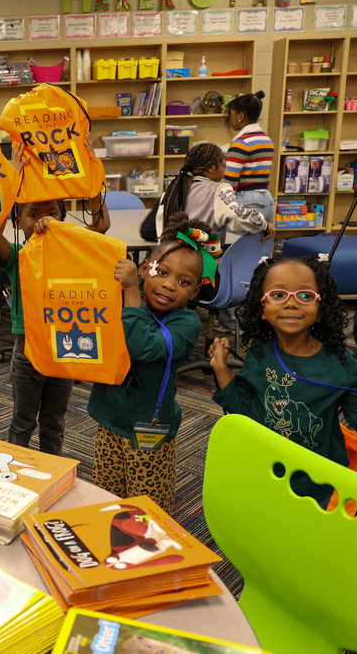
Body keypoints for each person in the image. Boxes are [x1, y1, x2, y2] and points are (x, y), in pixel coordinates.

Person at [208, 255, 357, 505]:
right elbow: (244, 413)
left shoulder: (341, 363)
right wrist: (220, 368)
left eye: (305, 296)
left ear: (320, 312)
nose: (291, 304)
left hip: (315, 484)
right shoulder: (259, 353)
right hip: (263, 470)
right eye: (278, 295)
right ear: (263, 309)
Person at [0, 141, 108, 456]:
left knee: (54, 422)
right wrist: (11, 181)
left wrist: (92, 183)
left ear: (63, 217)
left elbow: (101, 226)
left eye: (51, 212)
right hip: (28, 353)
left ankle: (50, 470)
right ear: (19, 221)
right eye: (32, 213)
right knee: (23, 422)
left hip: (63, 349)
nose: (41, 220)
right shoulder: (18, 256)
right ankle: (17, 471)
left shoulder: (74, 255)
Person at [88, 214, 209, 512]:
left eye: (183, 282)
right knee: (106, 498)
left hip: (149, 430)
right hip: (110, 419)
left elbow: (143, 345)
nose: (169, 285)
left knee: (146, 509)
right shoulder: (124, 299)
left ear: (194, 292)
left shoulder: (186, 322)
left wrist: (131, 291)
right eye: (162, 272)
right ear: (145, 269)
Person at [156, 143, 275, 245]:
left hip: (171, 259)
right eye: (223, 166)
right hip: (204, 263)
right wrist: (264, 225)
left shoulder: (172, 190)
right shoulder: (219, 189)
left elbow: (161, 229)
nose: (224, 172)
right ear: (211, 168)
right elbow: (236, 216)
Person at [224, 91, 275, 228]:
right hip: (267, 201)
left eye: (231, 115)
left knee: (237, 248)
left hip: (247, 202)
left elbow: (230, 183)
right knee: (258, 248)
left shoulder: (241, 143)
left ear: (240, 116)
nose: (230, 119)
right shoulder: (266, 140)